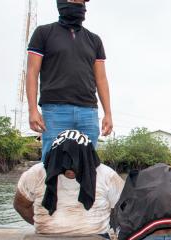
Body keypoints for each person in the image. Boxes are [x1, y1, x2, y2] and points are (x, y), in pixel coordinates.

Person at [26, 0, 113, 161]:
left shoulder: (94, 40)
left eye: (81, 1)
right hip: (54, 110)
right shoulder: (43, 33)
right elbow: (32, 72)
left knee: (87, 164)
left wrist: (108, 113)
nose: (78, 4)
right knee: (52, 163)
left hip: (88, 112)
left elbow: (101, 79)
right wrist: (32, 110)